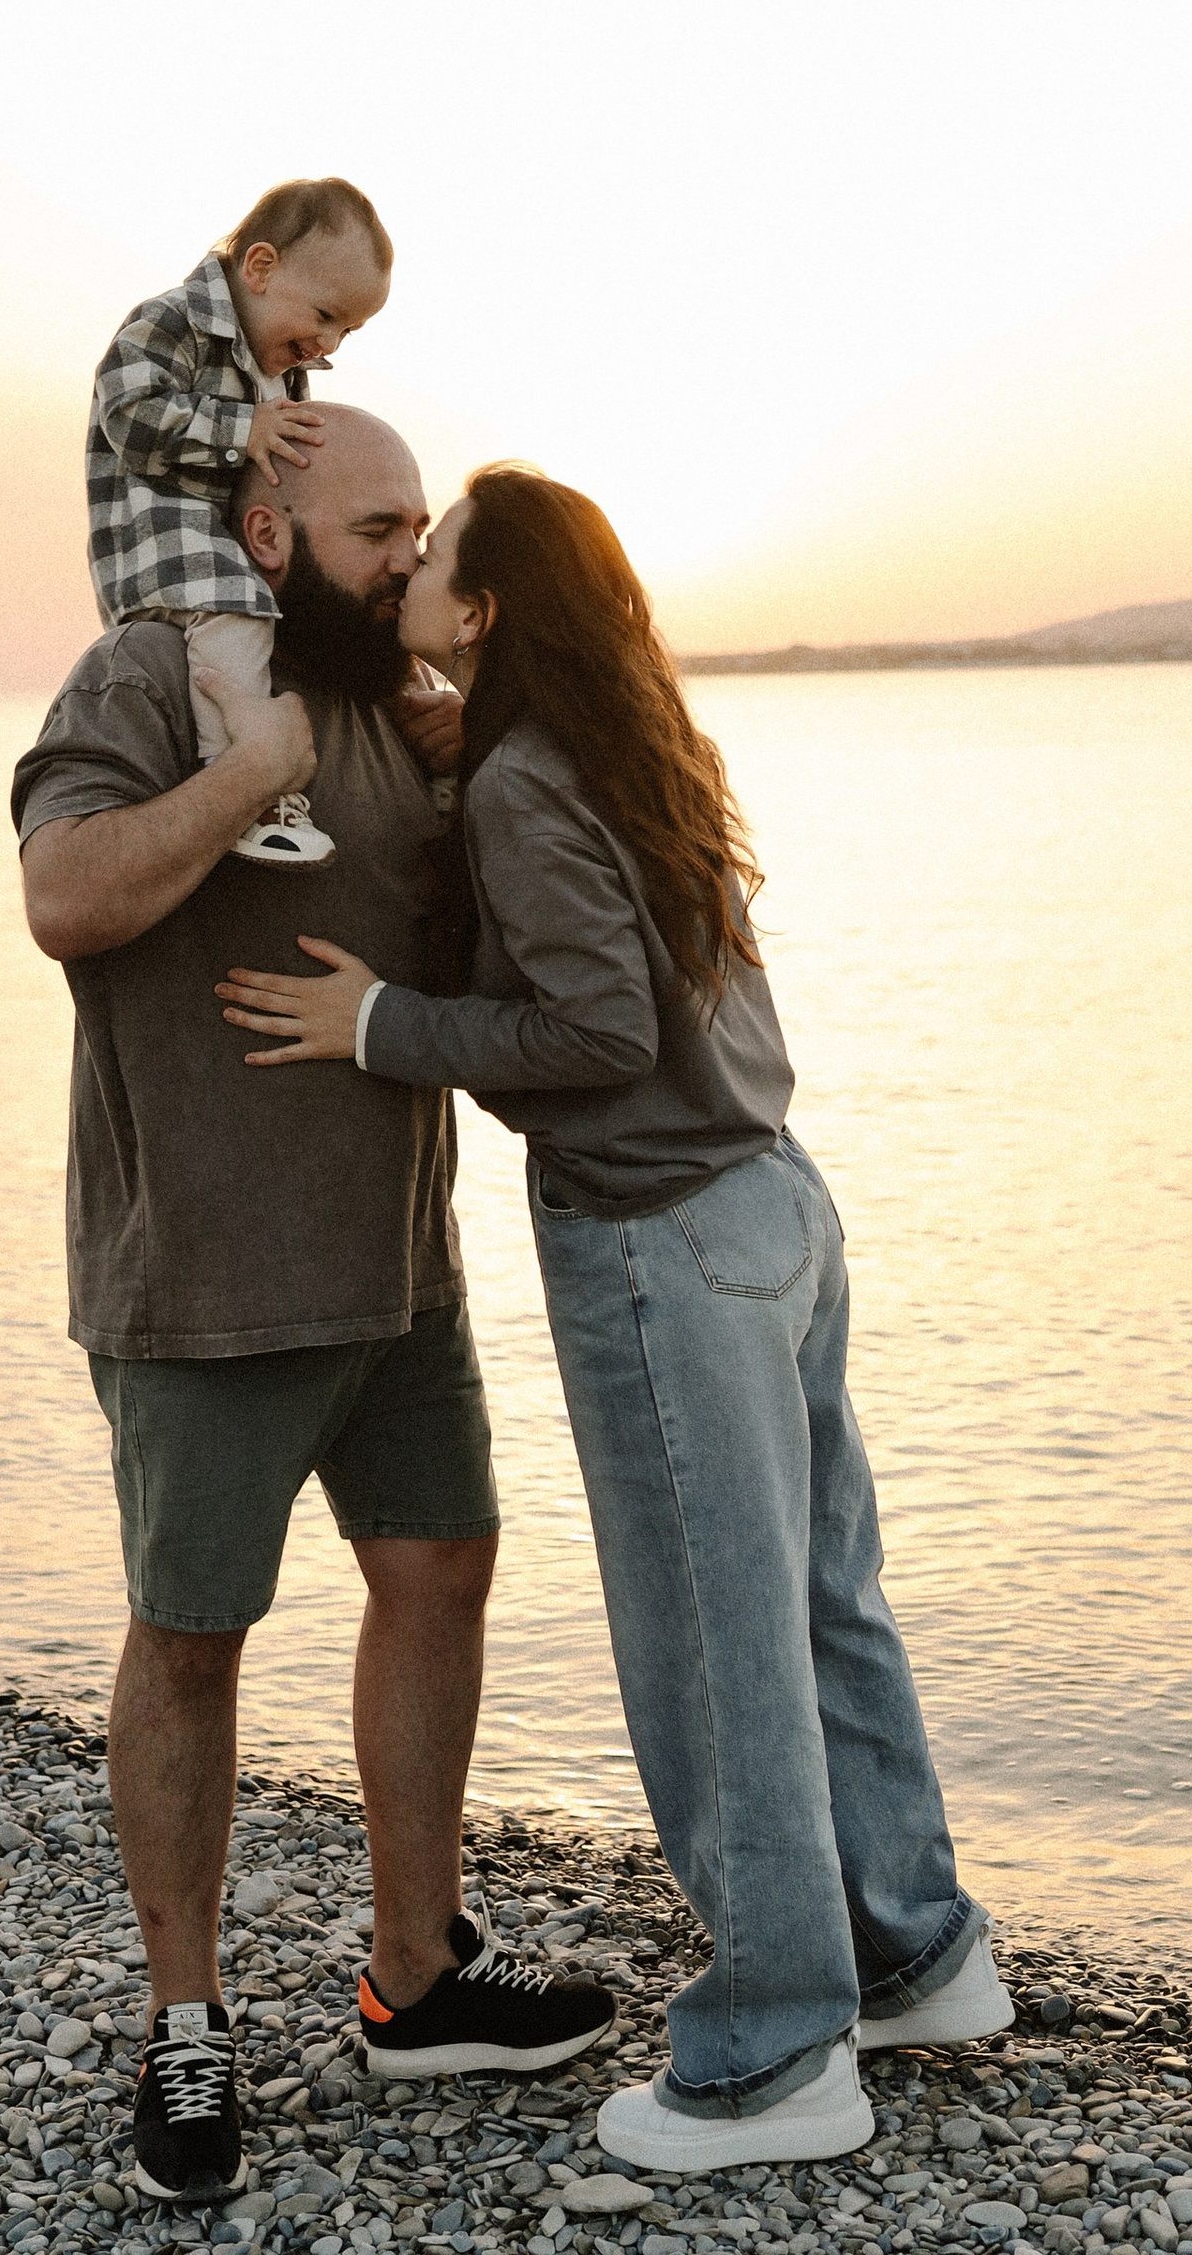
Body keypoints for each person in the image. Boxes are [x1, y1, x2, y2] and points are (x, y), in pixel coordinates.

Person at [215, 462, 1012, 2181]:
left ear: (490, 612)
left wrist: (382, 1026)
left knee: (715, 1655)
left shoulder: (521, 780)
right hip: (779, 1204)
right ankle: (916, 1958)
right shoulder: (634, 739)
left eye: (438, 562)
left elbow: (594, 1036)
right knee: (824, 1613)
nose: (411, 569)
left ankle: (772, 2061)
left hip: (662, 1239)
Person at [14, 411, 617, 2208]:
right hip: (202, 1280)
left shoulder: (390, 704)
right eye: (377, 525)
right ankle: (185, 2021)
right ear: (265, 525)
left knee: (442, 1570)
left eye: (420, 525)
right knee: (191, 1640)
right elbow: (64, 897)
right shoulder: (143, 678)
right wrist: (246, 769)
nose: (406, 554)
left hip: (396, 1273)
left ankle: (417, 1975)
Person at [86, 176, 395, 867]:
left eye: (347, 330)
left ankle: (412, 762)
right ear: (259, 268)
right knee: (237, 612)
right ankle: (240, 785)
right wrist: (242, 426)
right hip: (165, 541)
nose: (328, 343)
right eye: (324, 315)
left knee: (340, 609)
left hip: (234, 543)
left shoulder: (280, 366)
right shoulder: (173, 324)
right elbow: (127, 415)